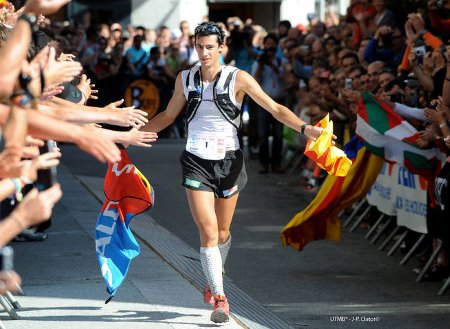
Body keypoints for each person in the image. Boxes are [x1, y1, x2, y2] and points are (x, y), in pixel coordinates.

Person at [142, 21, 325, 324]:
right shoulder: (185, 78)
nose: (204, 53)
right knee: (208, 230)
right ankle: (220, 297)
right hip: (195, 160)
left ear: (222, 48)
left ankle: (215, 272)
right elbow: (168, 115)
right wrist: (133, 136)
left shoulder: (237, 78)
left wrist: (305, 129)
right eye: (199, 47)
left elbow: (274, 108)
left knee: (223, 232)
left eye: (210, 47)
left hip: (229, 162)